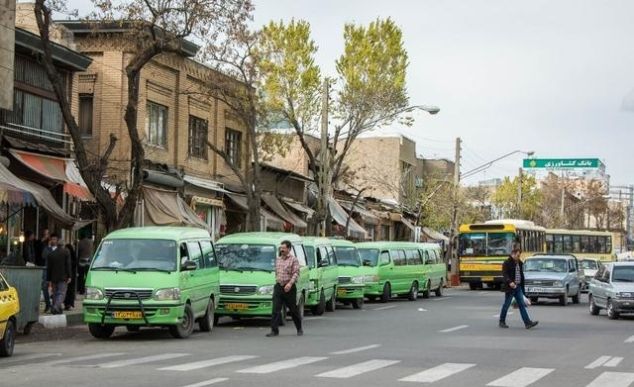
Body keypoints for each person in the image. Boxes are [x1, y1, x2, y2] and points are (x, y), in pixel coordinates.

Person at [267, 240, 303, 337]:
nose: (282, 250)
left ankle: (299, 328)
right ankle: (274, 330)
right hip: (279, 286)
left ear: (289, 249)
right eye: (281, 248)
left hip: (289, 287)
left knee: (293, 310)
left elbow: (296, 273)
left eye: (284, 248)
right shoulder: (278, 259)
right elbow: (276, 272)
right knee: (275, 309)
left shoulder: (293, 260)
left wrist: (290, 284)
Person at [499, 243, 538, 329]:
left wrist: (524, 291)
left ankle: (527, 323)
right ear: (513, 254)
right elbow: (505, 274)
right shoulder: (507, 263)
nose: (518, 257)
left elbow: (521, 275)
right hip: (510, 288)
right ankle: (502, 321)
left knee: (521, 305)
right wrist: (510, 282)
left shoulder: (519, 263)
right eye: (517, 255)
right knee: (506, 304)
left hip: (518, 287)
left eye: (519, 255)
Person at [45, 233, 71, 315]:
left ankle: (57, 309)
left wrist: (48, 279)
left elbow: (49, 268)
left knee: (55, 293)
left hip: (53, 277)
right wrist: (69, 276)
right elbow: (68, 264)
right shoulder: (66, 252)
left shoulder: (51, 254)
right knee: (61, 293)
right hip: (63, 277)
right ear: (63, 245)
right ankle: (56, 307)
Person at [38, 229, 51, 313]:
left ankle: (54, 305)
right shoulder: (43, 244)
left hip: (51, 269)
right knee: (45, 287)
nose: (45, 235)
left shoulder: (52, 247)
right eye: (44, 234)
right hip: (44, 267)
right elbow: (43, 255)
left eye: (47, 234)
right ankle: (48, 304)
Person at [64, 242, 78, 310]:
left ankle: (69, 304)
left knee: (70, 291)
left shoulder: (72, 256)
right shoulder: (66, 256)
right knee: (66, 291)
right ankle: (67, 304)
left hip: (71, 276)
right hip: (66, 275)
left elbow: (74, 264)